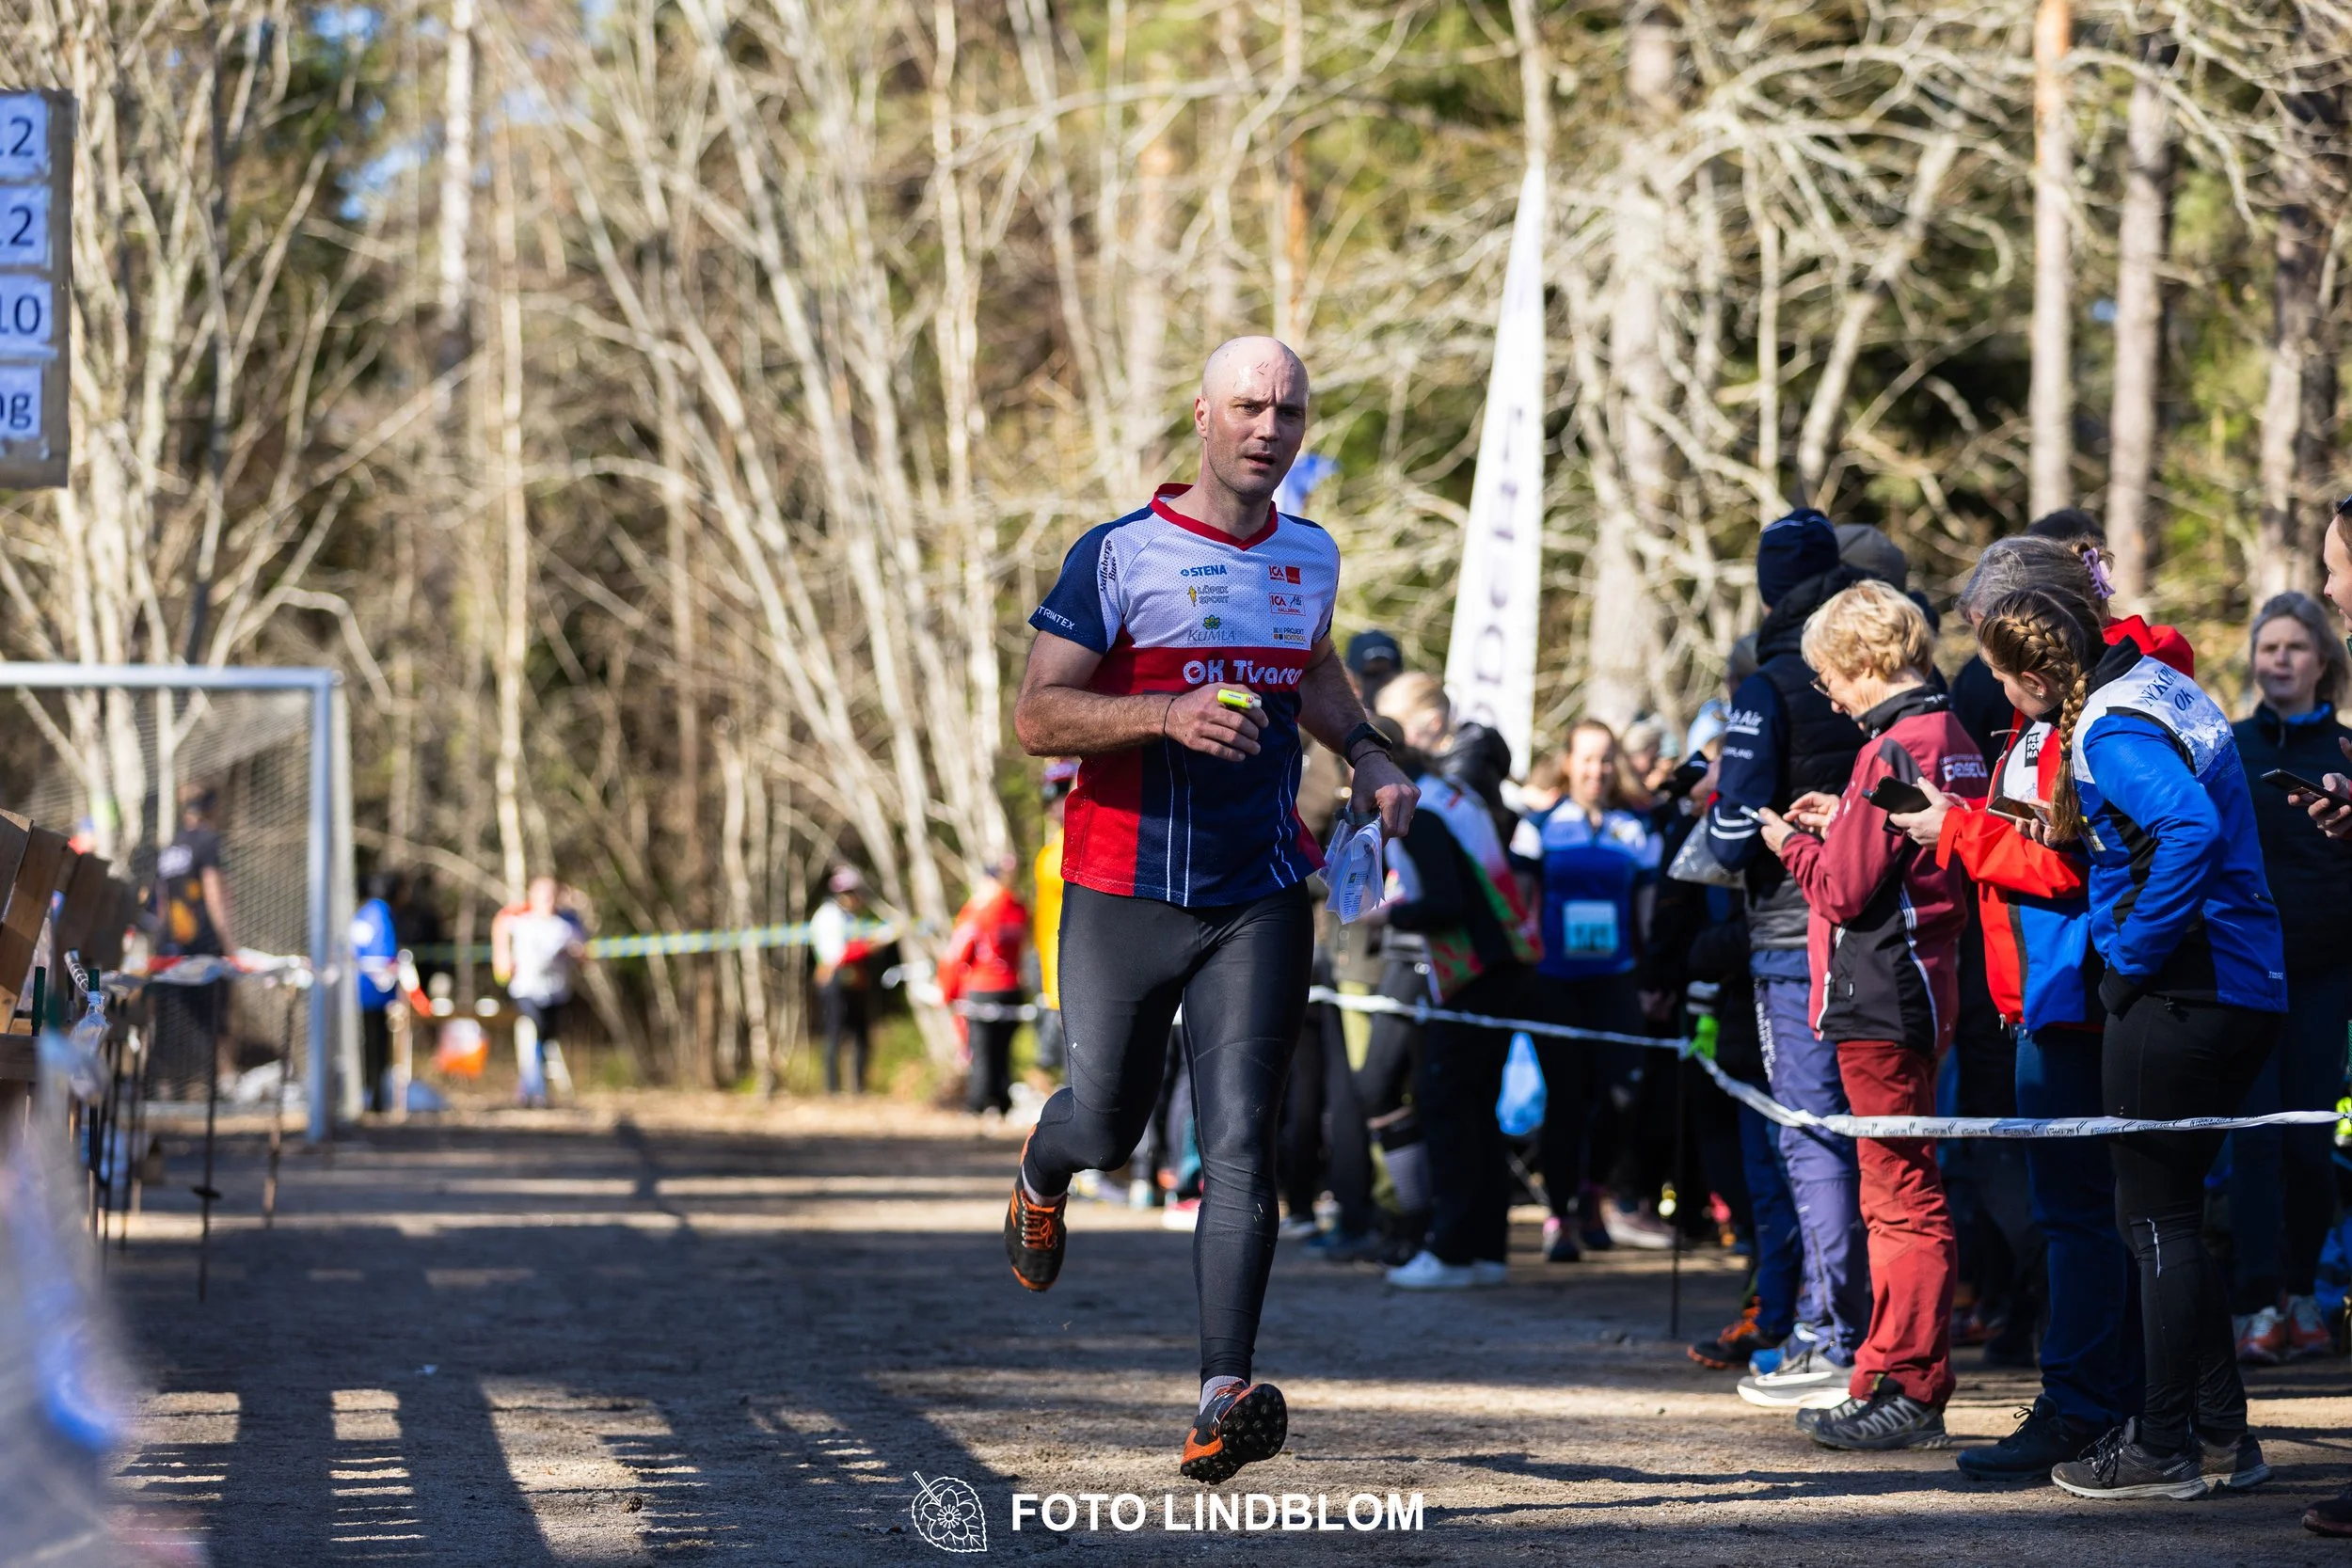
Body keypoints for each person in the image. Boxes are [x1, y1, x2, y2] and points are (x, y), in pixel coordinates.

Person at [1000, 336, 1418, 1485]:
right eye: (1246, 405)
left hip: (1261, 889)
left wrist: (1372, 752)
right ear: (1201, 415)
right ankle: (1044, 1167)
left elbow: (1314, 668)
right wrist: (1162, 715)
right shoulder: (1118, 553)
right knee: (1111, 1122)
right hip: (1122, 886)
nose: (1266, 428)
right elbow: (1038, 716)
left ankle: (1218, 1392)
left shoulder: (1309, 552)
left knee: (1240, 1140)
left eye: (1287, 410)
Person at [1969, 588, 2284, 1500]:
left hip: (2188, 989)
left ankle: (2158, 1445)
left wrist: (2128, 958)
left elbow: (2189, 825)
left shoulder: (2106, 725)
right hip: (2234, 983)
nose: (1996, 694)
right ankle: (2224, 1436)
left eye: (1999, 678)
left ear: (2035, 676)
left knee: (2149, 1220)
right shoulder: (2145, 683)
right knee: (2171, 1217)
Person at [1887, 536, 2178, 1482]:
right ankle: (2116, 1401)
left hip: (2071, 1003)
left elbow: (2069, 864)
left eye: (1988, 643)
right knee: (2087, 1216)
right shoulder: (2051, 717)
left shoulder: (2090, 720)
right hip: (2039, 1000)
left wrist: (1958, 831)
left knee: (2080, 1218)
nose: (1981, 666)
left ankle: (2088, 1404)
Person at [1753, 578, 1987, 1450]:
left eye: (1828, 678)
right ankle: (1886, 1368)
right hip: (1922, 985)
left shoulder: (1893, 746)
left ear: (1861, 663)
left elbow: (1846, 889)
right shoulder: (1949, 732)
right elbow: (1891, 847)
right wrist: (1843, 817)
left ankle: (1910, 1381)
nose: (1828, 694)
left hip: (1882, 995)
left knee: (1900, 1198)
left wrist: (1790, 843)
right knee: (1902, 1189)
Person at [1708, 511, 1881, 1409]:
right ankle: (1870, 1333)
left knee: (1808, 1137)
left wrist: (1709, 828)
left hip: (1790, 935)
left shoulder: (1771, 682)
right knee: (1881, 1145)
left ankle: (1827, 1330)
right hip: (1892, 942)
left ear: (1771, 587)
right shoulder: (1894, 673)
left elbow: (1733, 834)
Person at [1378, 705, 1546, 1291]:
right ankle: (1484, 1251)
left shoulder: (1420, 811)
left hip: (1477, 974)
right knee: (1476, 1113)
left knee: (1448, 1106)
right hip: (1502, 968)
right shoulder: (1449, 798)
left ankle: (1451, 1252)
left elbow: (1445, 903)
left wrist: (1390, 916)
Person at [2228, 593, 2352, 1364]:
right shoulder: (2228, 746)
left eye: (2295, 647)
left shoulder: (2346, 751)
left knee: (2308, 1144)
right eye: (2268, 646)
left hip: (2325, 971)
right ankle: (2252, 1306)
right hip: (2243, 971)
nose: (2280, 659)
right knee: (2251, 1145)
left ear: (2322, 661)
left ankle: (2304, 1294)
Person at [1513, 720, 1662, 1260]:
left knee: (1621, 1095)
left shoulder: (1637, 829)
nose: (1596, 770)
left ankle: (1593, 1194)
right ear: (1568, 762)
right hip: (1556, 983)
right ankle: (1560, 1216)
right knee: (1567, 1099)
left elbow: (1647, 916)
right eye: (1587, 759)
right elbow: (1520, 906)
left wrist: (1651, 979)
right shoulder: (1539, 827)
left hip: (1616, 979)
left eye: (1605, 759)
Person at [150, 783, 236, 1094]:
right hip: (202, 943)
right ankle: (219, 1082)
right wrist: (227, 942)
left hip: (170, 945)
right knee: (213, 1013)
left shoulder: (170, 847)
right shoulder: (208, 842)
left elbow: (160, 903)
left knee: (173, 1013)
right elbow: (213, 894)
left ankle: (169, 1082)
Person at [939, 854, 1029, 1118]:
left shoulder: (979, 910)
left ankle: (978, 1103)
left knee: (981, 1049)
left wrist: (946, 989)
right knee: (1002, 1050)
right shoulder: (1020, 909)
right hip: (1012, 987)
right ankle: (1002, 1101)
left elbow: (959, 951)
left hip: (983, 987)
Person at [491, 876, 585, 1109]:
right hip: (525, 989)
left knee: (545, 1039)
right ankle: (538, 1092)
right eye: (542, 895)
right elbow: (500, 924)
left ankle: (528, 1088)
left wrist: (573, 953)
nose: (547, 900)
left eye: (551, 895)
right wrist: (501, 956)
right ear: (532, 896)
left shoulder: (566, 925)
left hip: (556, 991)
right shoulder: (520, 919)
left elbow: (584, 957)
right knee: (538, 1030)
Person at [809, 867, 877, 1095]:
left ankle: (858, 1087)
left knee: (860, 1033)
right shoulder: (828, 916)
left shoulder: (849, 916)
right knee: (834, 1032)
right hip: (834, 980)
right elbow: (836, 954)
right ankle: (832, 1088)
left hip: (854, 980)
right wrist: (869, 946)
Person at [1031, 759, 1078, 1078]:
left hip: (1076, 970)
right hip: (1055, 970)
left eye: (1064, 793)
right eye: (1051, 797)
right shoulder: (1051, 852)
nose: (1056, 804)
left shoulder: (1079, 845)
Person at [352, 872, 402, 1113]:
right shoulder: (382, 914)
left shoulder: (362, 913)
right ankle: (377, 1098)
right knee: (378, 1047)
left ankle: (367, 1095)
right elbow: (386, 956)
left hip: (356, 990)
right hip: (376, 993)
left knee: (364, 1046)